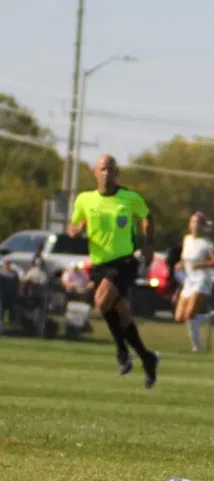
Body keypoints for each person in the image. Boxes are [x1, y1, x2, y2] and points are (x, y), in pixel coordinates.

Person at [68, 154, 159, 387]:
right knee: (121, 314)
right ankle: (147, 357)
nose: (107, 173)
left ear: (117, 174)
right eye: (103, 169)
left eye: (111, 169)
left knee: (101, 302)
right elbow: (73, 224)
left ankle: (121, 352)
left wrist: (148, 244)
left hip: (124, 261)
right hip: (99, 263)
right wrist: (74, 230)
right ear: (95, 173)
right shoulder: (84, 200)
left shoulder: (129, 198)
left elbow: (148, 217)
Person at [173, 212, 214, 353]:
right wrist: (180, 264)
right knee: (179, 317)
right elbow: (186, 259)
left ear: (203, 226)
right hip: (189, 280)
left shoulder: (206, 243)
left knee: (190, 315)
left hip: (202, 280)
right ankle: (210, 318)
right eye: (192, 222)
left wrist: (200, 265)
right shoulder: (187, 239)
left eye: (197, 222)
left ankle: (196, 348)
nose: (194, 225)